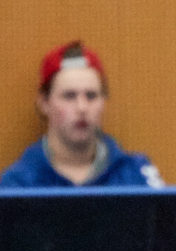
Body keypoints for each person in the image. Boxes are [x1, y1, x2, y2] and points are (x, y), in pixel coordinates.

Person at [1, 41, 164, 188]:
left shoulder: (137, 176)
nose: (82, 107)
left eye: (91, 96)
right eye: (69, 96)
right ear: (44, 103)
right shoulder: (16, 185)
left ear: (103, 101)